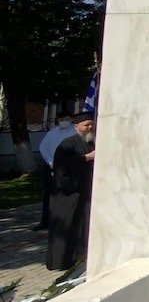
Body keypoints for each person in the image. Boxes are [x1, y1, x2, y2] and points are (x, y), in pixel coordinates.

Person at [47, 111, 95, 272]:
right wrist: (87, 157)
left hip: (85, 193)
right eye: (86, 125)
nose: (89, 128)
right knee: (66, 227)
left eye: (91, 125)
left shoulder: (93, 142)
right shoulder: (68, 144)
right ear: (77, 127)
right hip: (68, 194)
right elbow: (63, 167)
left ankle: (79, 259)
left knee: (83, 227)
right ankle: (61, 262)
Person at [34, 111, 77, 231]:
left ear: (71, 119)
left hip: (69, 167)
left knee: (68, 194)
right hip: (52, 166)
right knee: (48, 194)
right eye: (61, 118)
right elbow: (43, 148)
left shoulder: (74, 132)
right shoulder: (52, 133)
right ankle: (45, 221)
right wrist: (50, 162)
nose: (64, 121)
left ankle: (66, 220)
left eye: (66, 118)